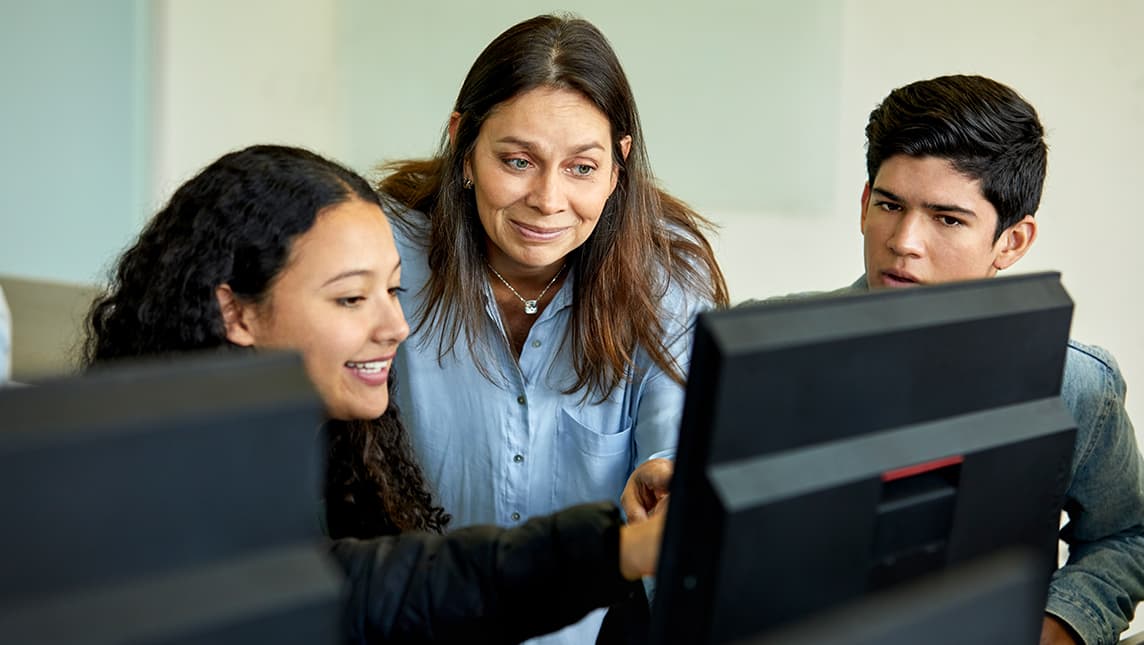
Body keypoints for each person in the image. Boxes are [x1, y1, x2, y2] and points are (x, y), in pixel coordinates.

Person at [628, 74, 1144, 645]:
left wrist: (1061, 626)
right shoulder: (763, 351)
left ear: (1012, 242)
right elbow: (688, 562)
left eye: (947, 219)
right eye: (889, 205)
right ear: (864, 205)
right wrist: (675, 521)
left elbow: (1127, 536)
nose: (904, 241)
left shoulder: (1076, 384)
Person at [83, 144, 666, 644]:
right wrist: (619, 548)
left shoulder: (334, 457)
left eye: (393, 290)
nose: (395, 327)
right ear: (235, 311)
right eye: (350, 299)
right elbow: (384, 589)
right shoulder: (169, 501)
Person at [376, 14, 728, 642]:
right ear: (462, 144)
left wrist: (670, 480)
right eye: (517, 161)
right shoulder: (383, 256)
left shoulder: (666, 278)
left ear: (618, 165)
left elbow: (673, 443)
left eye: (581, 168)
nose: (547, 198)